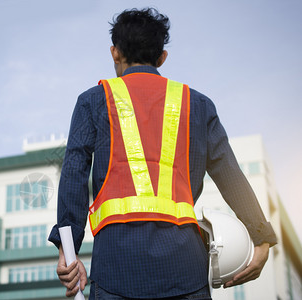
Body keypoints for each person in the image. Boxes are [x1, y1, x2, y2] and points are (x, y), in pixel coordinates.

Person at [48, 7, 277, 300]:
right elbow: (229, 174)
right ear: (162, 57)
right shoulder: (199, 105)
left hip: (116, 266)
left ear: (114, 52)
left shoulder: (93, 101)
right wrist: (261, 238)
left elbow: (74, 174)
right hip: (185, 268)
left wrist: (67, 250)